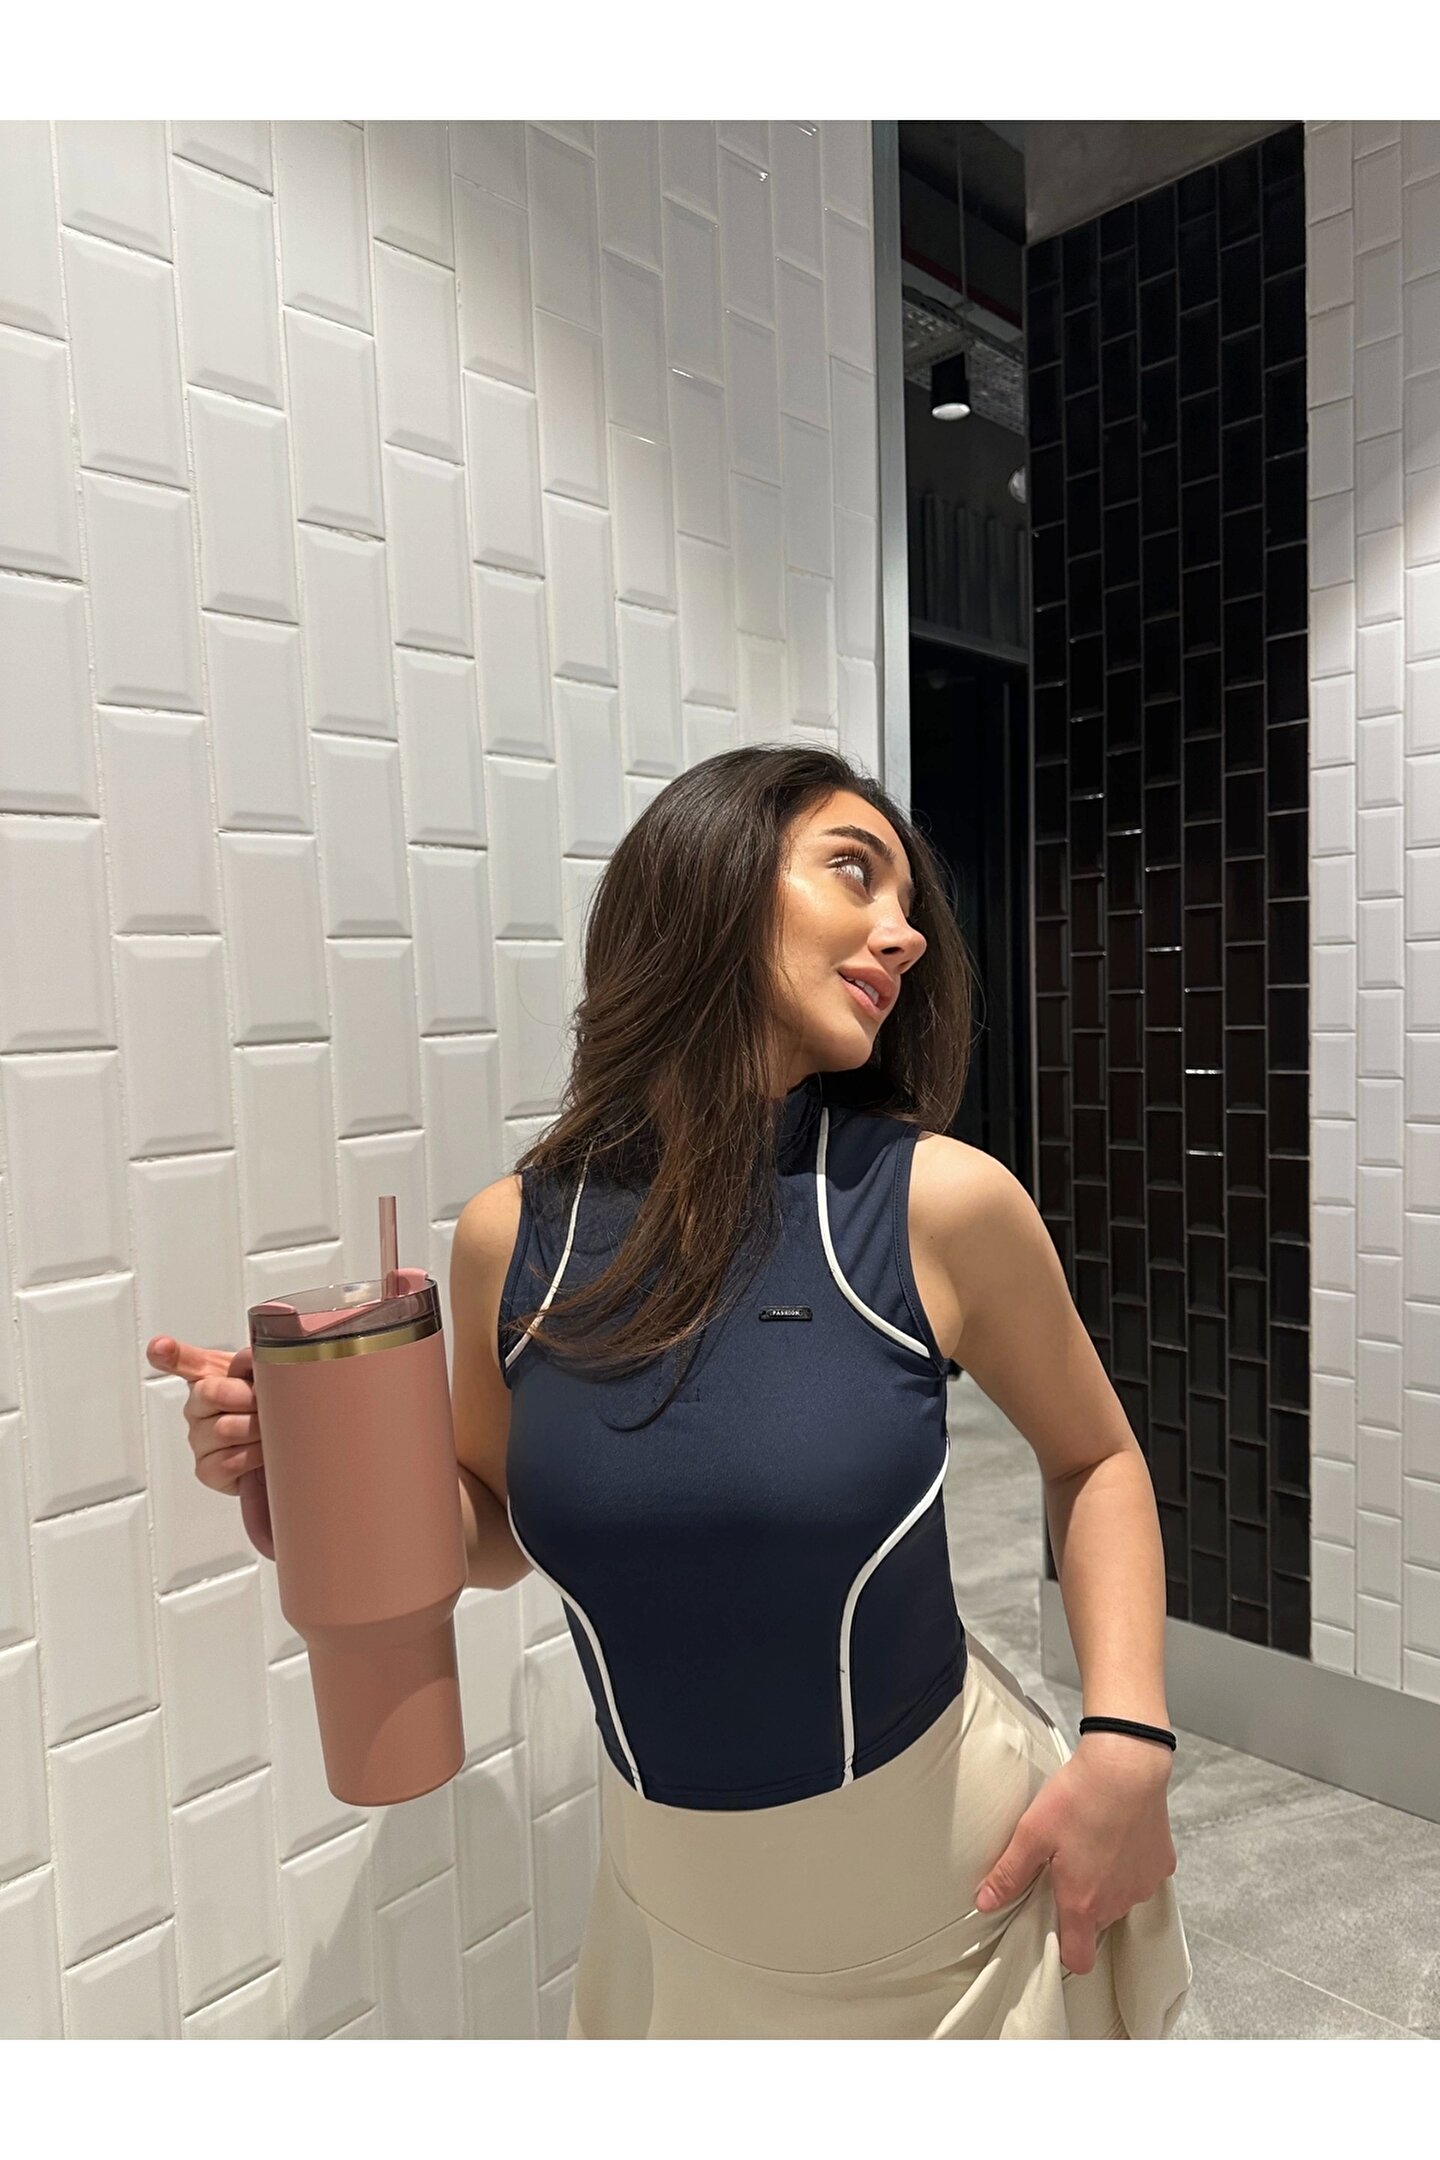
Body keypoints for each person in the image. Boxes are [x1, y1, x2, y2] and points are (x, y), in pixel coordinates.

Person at [149, 744, 1192, 2040]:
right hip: (671, 1919)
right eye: (854, 871)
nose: (907, 932)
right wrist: (310, 1472)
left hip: (953, 1912)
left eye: (908, 900)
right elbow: (492, 1527)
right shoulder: (511, 1236)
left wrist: (1128, 1738)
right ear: (710, 881)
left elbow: (1097, 1460)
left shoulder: (936, 1202)